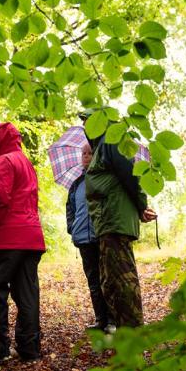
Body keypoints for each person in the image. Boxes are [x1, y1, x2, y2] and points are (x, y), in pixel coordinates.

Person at [83, 112, 157, 329]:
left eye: (87, 121)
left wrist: (141, 205)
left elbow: (129, 174)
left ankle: (133, 332)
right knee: (110, 280)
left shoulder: (110, 141)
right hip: (108, 222)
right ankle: (125, 329)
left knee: (122, 278)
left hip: (116, 221)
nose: (85, 126)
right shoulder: (101, 146)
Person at [0, 122, 45, 362]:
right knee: (27, 293)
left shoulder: (5, 161)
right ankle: (30, 349)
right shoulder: (25, 162)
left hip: (7, 236)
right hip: (31, 236)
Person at [66, 142, 111, 332]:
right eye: (83, 153)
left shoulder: (103, 179)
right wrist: (72, 227)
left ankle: (112, 321)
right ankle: (101, 320)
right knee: (93, 281)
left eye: (90, 153)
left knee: (107, 279)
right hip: (83, 238)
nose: (86, 156)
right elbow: (70, 208)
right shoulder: (76, 183)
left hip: (102, 236)